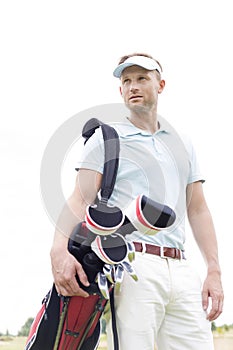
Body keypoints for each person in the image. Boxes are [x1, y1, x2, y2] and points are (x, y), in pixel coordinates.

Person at [50, 53, 224, 349]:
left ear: (161, 84)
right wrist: (58, 250)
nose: (133, 86)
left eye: (142, 78)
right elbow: (80, 198)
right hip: (132, 265)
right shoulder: (106, 138)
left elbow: (198, 209)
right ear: (120, 90)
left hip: (181, 266)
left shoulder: (182, 142)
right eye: (126, 80)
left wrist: (214, 270)